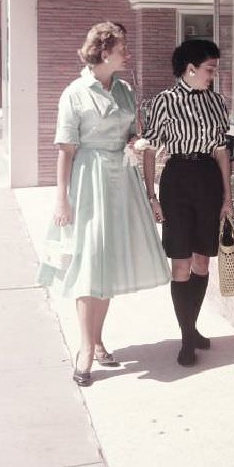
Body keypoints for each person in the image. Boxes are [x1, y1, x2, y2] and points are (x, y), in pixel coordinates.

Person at [38, 22, 170, 386]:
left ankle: (97, 340)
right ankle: (84, 347)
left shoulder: (126, 90)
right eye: (123, 48)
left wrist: (138, 152)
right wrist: (61, 199)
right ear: (104, 51)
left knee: (107, 264)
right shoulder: (75, 93)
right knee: (88, 263)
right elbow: (65, 151)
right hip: (88, 180)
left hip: (121, 181)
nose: (128, 53)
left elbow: (134, 135)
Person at [141, 39, 231, 367]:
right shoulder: (164, 101)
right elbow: (149, 148)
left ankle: (192, 328)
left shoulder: (217, 102)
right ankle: (186, 336)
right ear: (191, 68)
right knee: (180, 263)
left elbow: (222, 150)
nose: (213, 75)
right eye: (210, 69)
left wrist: (228, 198)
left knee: (202, 262)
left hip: (207, 178)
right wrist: (151, 195)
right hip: (176, 179)